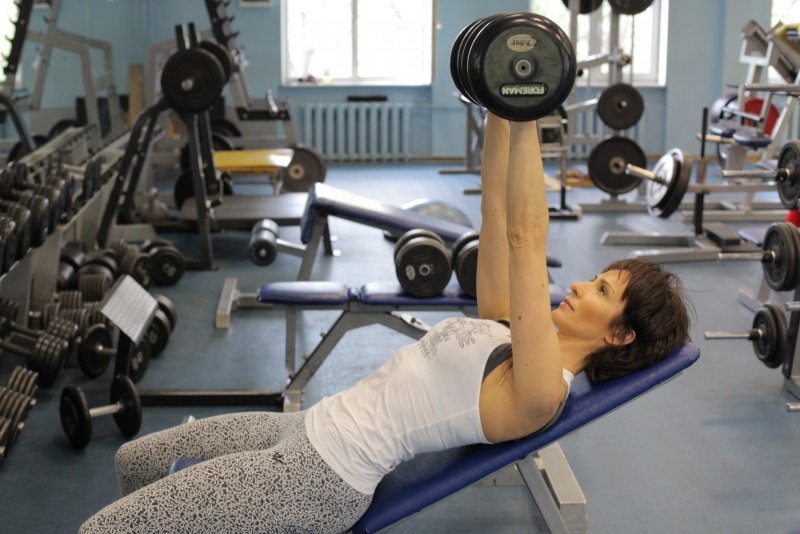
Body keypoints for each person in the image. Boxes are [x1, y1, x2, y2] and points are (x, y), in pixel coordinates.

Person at [79, 114, 691, 533]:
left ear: (620, 334)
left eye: (602, 290)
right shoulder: (509, 331)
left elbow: (526, 236)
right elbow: (497, 211)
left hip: (319, 477)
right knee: (139, 460)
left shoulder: (541, 388)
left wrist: (530, 113)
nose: (581, 285)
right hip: (305, 431)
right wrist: (499, 111)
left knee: (102, 529)